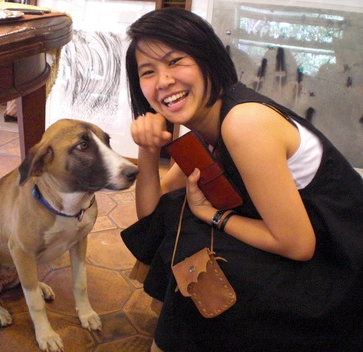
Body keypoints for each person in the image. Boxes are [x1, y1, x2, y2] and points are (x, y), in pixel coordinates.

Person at [121, 7, 363, 352]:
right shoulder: (205, 127)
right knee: (177, 214)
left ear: (207, 58)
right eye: (148, 71)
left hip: (339, 268)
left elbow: (298, 245)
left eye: (175, 61)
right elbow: (152, 214)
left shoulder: (244, 123)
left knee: (197, 241)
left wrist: (214, 216)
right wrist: (147, 149)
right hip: (310, 244)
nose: (163, 81)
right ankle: (183, 323)